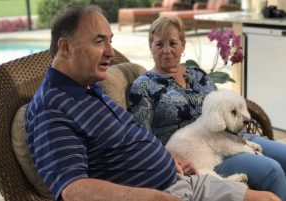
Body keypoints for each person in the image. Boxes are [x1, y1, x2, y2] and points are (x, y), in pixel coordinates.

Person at [25, 4, 281, 201]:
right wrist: (156, 197)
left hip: (183, 179)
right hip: (166, 193)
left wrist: (170, 155)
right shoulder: (52, 108)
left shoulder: (89, 87)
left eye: (110, 41)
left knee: (268, 198)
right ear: (65, 48)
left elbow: (132, 138)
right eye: (99, 41)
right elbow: (74, 190)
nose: (111, 52)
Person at [127, 16, 286, 201]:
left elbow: (225, 107)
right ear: (150, 47)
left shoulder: (198, 74)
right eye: (159, 44)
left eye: (172, 43)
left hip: (236, 137)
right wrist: (174, 157)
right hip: (204, 154)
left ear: (183, 45)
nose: (167, 50)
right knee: (271, 170)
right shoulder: (143, 86)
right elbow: (142, 137)